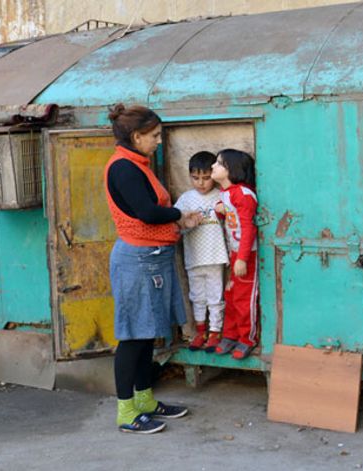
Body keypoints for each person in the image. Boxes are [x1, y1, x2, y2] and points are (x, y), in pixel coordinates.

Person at [104, 103, 200, 434]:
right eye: (155, 135)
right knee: (132, 336)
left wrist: (176, 218)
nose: (159, 141)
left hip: (153, 255)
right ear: (137, 136)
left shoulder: (138, 164)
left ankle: (145, 400)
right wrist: (178, 214)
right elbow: (146, 212)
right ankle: (126, 411)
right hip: (136, 260)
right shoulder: (123, 168)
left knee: (146, 335)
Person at [174, 151, 229, 352]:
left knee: (215, 296)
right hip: (193, 256)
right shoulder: (186, 199)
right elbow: (175, 223)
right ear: (189, 176)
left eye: (206, 178)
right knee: (197, 295)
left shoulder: (221, 196)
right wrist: (186, 223)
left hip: (215, 255)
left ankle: (215, 332)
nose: (201, 183)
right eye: (196, 178)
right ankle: (200, 331)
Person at [210, 149, 259, 360]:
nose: (213, 166)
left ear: (232, 170)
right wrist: (219, 207)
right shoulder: (228, 193)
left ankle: (247, 338)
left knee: (244, 298)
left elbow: (249, 229)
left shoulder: (244, 194)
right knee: (230, 295)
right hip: (234, 253)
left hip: (247, 255)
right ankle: (230, 334)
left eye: (219, 163)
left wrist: (242, 258)